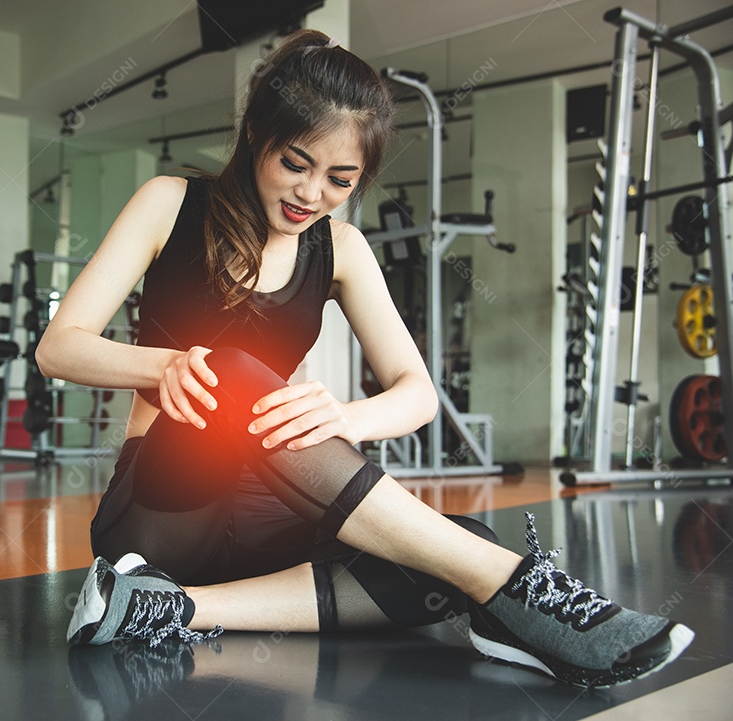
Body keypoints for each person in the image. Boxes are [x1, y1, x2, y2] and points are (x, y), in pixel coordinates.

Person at [37, 29, 693, 688]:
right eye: (295, 162)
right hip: (162, 516)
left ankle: (158, 606)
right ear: (256, 132)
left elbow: (416, 393)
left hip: (268, 517)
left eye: (338, 179)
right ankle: (517, 590)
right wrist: (164, 366)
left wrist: (347, 415)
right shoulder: (170, 204)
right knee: (231, 368)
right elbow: (57, 346)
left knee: (456, 548)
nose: (311, 193)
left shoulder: (342, 248)